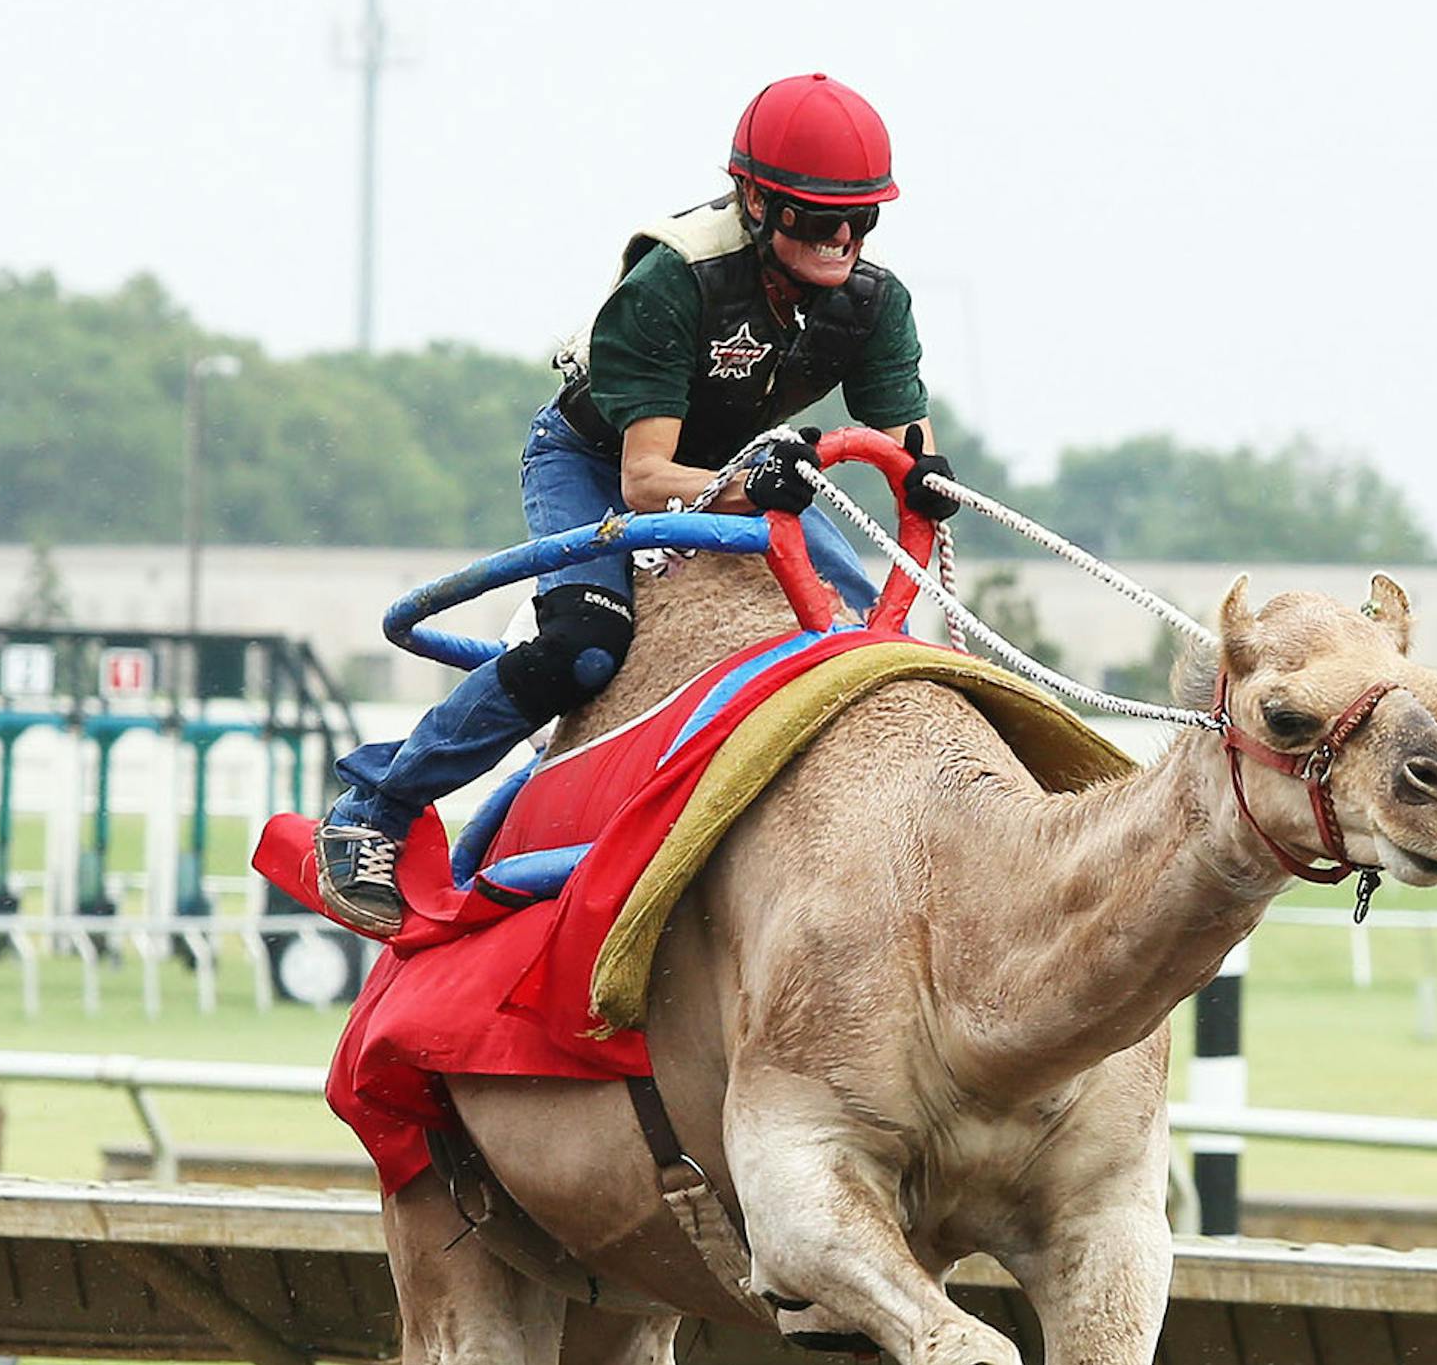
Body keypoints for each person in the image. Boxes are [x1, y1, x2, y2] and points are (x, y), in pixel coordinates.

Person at [316, 71, 958, 936]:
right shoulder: (673, 280)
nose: (840, 240)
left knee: (860, 641)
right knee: (583, 646)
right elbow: (645, 479)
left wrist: (926, 477)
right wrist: (743, 484)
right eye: (814, 216)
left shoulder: (878, 304)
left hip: (750, 472)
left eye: (862, 218)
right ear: (754, 201)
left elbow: (905, 449)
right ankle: (376, 805)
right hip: (597, 459)